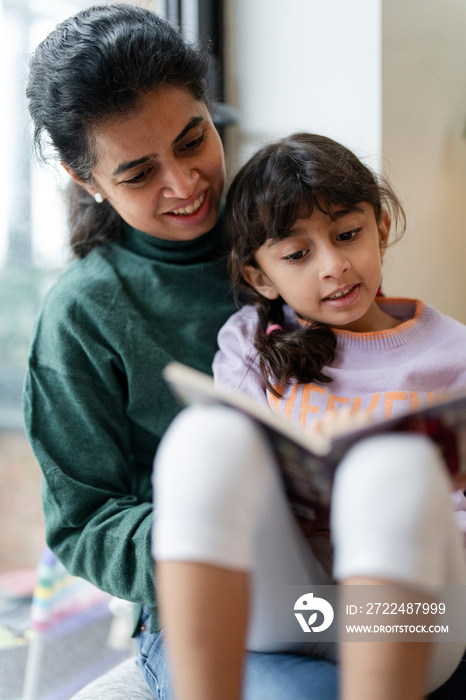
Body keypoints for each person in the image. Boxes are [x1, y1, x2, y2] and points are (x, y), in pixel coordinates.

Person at [23, 6, 345, 699]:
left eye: (192, 139)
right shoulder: (86, 313)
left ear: (209, 108)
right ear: (88, 182)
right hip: (209, 606)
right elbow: (84, 521)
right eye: (138, 174)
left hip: (351, 568)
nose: (184, 184)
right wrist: (217, 534)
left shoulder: (296, 229)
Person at [152, 133, 466, 700]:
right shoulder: (250, 344)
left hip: (412, 613)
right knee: (204, 437)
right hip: (294, 606)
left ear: (382, 229)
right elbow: (236, 484)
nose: (335, 265)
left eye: (348, 235)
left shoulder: (453, 355)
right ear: (260, 278)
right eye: (298, 254)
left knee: (389, 468)